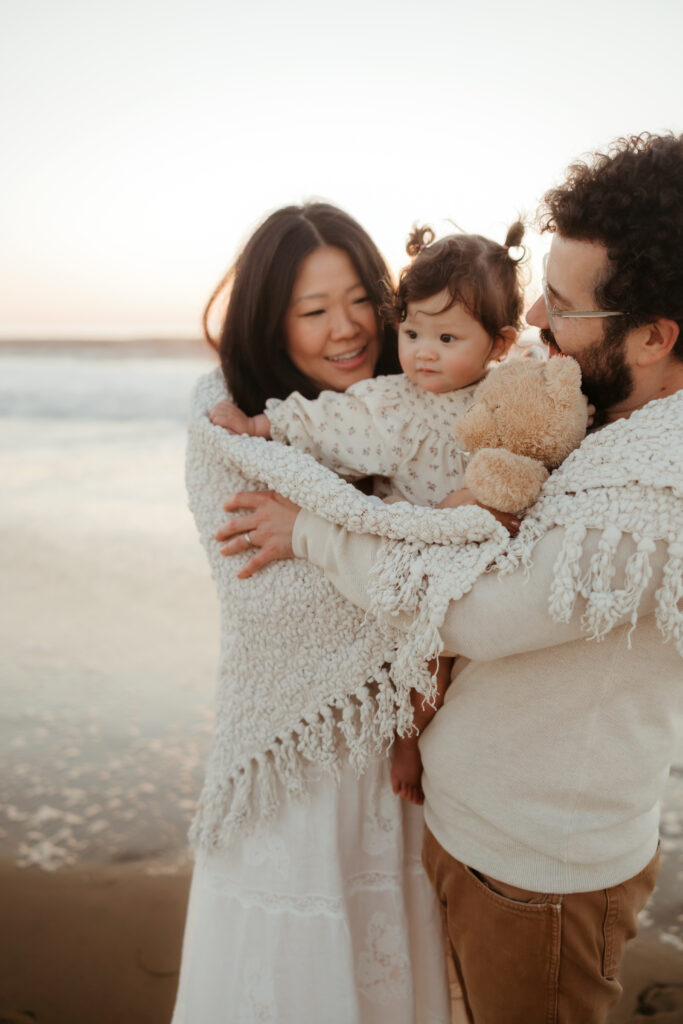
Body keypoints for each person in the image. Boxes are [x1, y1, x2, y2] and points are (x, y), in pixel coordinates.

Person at [216, 133, 683, 1023]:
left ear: (655, 336)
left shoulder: (658, 487)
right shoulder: (603, 417)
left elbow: (475, 615)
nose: (540, 320)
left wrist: (313, 533)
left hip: (535, 871)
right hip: (479, 838)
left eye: (565, 306)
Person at [172, 202, 453, 1024]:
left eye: (360, 297)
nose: (348, 329)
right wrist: (381, 550)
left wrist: (319, 533)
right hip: (291, 754)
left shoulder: (417, 408)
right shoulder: (226, 415)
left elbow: (454, 552)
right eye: (313, 310)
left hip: (399, 759)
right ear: (269, 318)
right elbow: (285, 589)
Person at [209, 220, 526, 805]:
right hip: (413, 545)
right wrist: (260, 425)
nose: (422, 354)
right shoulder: (391, 399)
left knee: (462, 665)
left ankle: (440, 753)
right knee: (428, 662)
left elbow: (542, 444)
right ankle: (408, 745)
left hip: (475, 550)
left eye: (447, 340)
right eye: (410, 333)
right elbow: (331, 421)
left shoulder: (506, 396)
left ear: (500, 345)